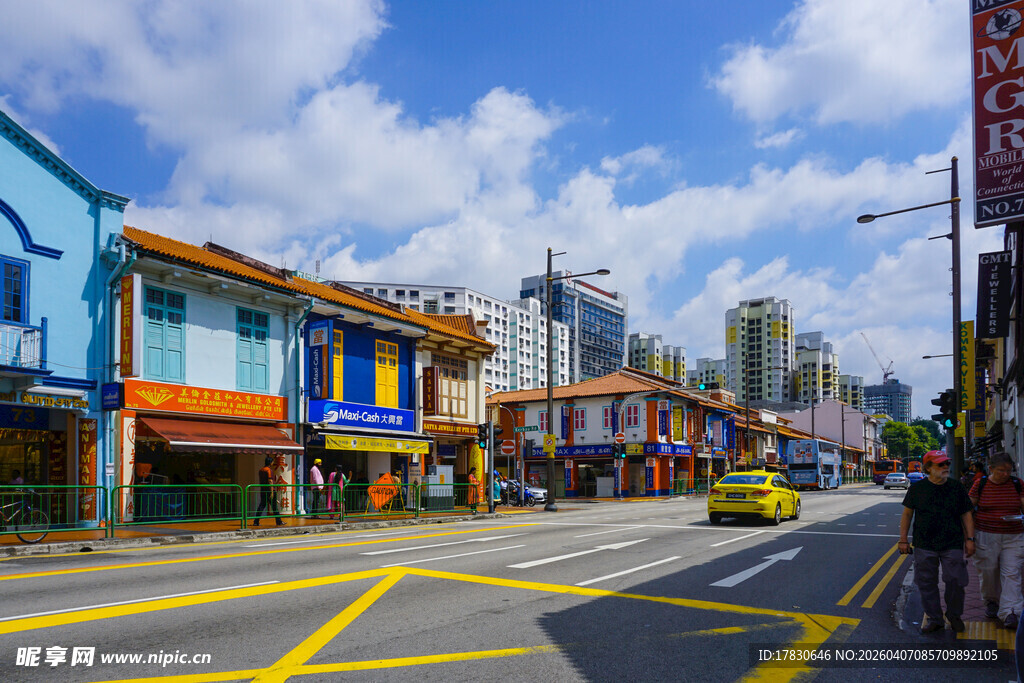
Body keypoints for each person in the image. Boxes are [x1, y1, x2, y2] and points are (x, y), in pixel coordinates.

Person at [899, 450, 975, 633]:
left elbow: (966, 514)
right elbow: (907, 514)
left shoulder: (956, 487)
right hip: (924, 544)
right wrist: (903, 540)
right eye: (940, 464)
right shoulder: (917, 489)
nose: (945, 467)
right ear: (928, 468)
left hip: (952, 543)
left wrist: (970, 539)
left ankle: (954, 615)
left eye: (947, 463)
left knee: (956, 580)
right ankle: (935, 618)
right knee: (926, 582)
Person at [969, 452, 1024, 629]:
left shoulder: (1017, 484)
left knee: (1011, 573)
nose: (1006, 474)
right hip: (985, 534)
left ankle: (1011, 612)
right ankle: (991, 601)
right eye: (1001, 471)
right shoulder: (981, 484)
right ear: (991, 469)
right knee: (988, 572)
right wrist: (968, 537)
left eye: (1009, 471)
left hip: (1013, 535)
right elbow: (968, 509)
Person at [253, 456, 283, 526]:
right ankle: (279, 521)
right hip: (269, 490)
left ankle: (256, 521)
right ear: (270, 462)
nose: (273, 463)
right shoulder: (269, 470)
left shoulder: (261, 470)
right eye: (272, 461)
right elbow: (270, 481)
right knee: (274, 507)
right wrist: (272, 491)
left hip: (263, 490)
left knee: (261, 506)